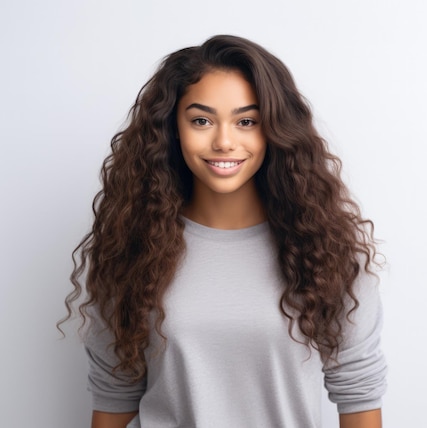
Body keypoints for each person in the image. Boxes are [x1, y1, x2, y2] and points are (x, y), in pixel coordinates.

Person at [62, 34, 386, 428]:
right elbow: (114, 398)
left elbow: (359, 395)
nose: (224, 141)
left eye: (246, 121)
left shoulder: (328, 253)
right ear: (173, 128)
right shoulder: (131, 250)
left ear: (274, 130)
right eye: (201, 120)